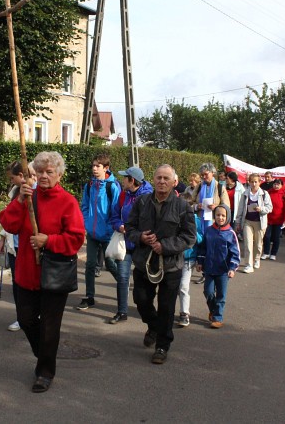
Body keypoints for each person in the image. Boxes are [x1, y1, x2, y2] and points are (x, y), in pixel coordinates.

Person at [0, 151, 85, 393]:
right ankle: (45, 354)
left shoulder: (68, 201)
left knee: (49, 326)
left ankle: (44, 372)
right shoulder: (27, 197)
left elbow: (76, 238)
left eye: (50, 172)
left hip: (54, 275)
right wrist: (18, 202)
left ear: (59, 174)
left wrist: (49, 240)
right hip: (27, 271)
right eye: (41, 172)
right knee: (26, 319)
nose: (45, 176)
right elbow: (8, 224)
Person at [125, 164, 196, 365]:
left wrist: (164, 246)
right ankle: (154, 326)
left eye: (166, 178)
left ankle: (162, 346)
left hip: (171, 265)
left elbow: (189, 237)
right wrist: (141, 237)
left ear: (174, 182)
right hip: (143, 263)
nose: (162, 182)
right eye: (159, 178)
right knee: (141, 300)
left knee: (166, 307)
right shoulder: (142, 201)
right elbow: (129, 228)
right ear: (153, 180)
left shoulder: (183, 207)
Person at [108, 166, 153, 324]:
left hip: (142, 246)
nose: (122, 180)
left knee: (145, 282)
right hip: (125, 244)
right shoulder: (123, 195)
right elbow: (114, 215)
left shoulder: (149, 197)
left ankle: (148, 312)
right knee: (122, 277)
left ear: (132, 180)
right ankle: (122, 312)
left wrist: (139, 233)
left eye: (125, 177)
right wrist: (119, 225)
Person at [0, 161, 37, 332]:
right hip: (15, 247)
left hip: (30, 247)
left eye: (13, 178)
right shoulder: (15, 192)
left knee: (31, 285)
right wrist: (2, 237)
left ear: (22, 176)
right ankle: (21, 317)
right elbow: (9, 218)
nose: (11, 181)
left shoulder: (37, 193)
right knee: (17, 283)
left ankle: (34, 315)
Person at [77, 154, 121, 310]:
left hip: (108, 234)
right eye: (93, 165)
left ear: (106, 168)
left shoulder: (112, 186)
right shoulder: (89, 185)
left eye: (98, 166)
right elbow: (85, 205)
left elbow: (117, 210)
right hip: (92, 233)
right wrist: (86, 223)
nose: (94, 168)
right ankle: (89, 297)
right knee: (90, 264)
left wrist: (110, 228)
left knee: (110, 264)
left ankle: (123, 284)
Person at [197, 204, 240, 328]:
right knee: (208, 292)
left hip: (223, 270)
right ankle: (213, 310)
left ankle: (217, 318)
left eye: (223, 215)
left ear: (227, 217)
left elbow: (235, 253)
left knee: (221, 295)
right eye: (218, 215)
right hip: (209, 268)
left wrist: (232, 268)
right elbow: (202, 248)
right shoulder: (210, 230)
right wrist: (200, 262)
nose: (220, 218)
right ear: (214, 216)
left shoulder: (230, 233)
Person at [235, 173, 273, 273]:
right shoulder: (245, 194)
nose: (254, 183)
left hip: (260, 222)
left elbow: (270, 208)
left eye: (256, 181)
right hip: (247, 221)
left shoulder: (264, 194)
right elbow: (240, 209)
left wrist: (261, 209)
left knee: (258, 244)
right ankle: (248, 264)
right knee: (247, 244)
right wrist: (238, 222)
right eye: (252, 181)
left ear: (259, 182)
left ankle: (256, 259)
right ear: (249, 182)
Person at [177, 192, 203, 327]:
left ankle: (184, 313)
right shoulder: (174, 219)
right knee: (173, 287)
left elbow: (201, 240)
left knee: (183, 286)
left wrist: (193, 232)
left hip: (189, 259)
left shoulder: (196, 220)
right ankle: (169, 312)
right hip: (175, 257)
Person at [261, 178, 285, 261]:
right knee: (266, 236)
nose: (276, 186)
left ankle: (273, 253)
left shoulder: (284, 195)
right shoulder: (267, 193)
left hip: (279, 220)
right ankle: (266, 252)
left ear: (281, 185)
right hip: (268, 219)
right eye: (275, 184)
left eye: (278, 184)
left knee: (276, 237)